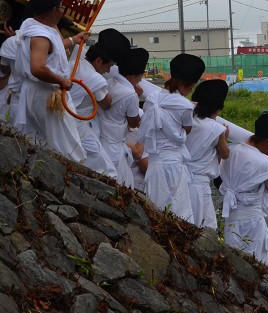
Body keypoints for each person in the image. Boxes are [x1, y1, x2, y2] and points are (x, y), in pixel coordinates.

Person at [16, 0, 88, 162]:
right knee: (68, 146)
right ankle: (75, 179)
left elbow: (53, 46)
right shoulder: (40, 35)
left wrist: (73, 40)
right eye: (61, 7)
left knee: (41, 141)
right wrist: (61, 81)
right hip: (47, 94)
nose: (63, 10)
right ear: (54, 10)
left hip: (36, 92)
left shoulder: (36, 25)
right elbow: (37, 67)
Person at [139, 53, 205, 221]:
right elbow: (187, 129)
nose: (191, 90)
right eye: (191, 86)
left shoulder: (152, 99)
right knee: (179, 211)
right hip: (173, 165)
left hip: (154, 162)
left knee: (157, 210)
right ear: (187, 84)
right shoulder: (185, 106)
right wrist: (188, 107)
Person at [220, 113, 268, 264]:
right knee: (255, 262)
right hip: (252, 221)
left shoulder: (232, 150)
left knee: (233, 261)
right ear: (267, 142)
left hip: (231, 218)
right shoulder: (265, 162)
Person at [70, 31, 126, 177]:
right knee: (107, 170)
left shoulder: (78, 57)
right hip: (78, 125)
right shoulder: (97, 79)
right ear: (99, 61)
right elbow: (106, 104)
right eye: (109, 66)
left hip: (69, 119)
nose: (108, 71)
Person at [98, 48, 146, 187]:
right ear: (134, 75)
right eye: (140, 76)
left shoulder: (109, 82)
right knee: (119, 184)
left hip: (101, 137)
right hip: (115, 144)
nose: (141, 79)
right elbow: (133, 122)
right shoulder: (130, 94)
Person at [186, 79, 230, 229]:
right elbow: (225, 154)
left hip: (179, 179)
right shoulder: (216, 129)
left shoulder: (187, 118)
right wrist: (224, 135)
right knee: (205, 227)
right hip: (199, 184)